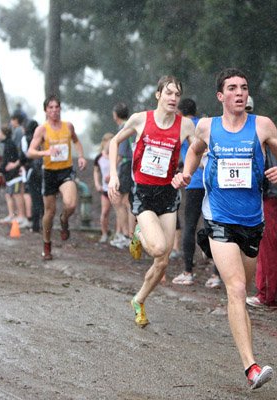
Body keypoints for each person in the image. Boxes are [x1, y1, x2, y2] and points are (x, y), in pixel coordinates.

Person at [172, 68, 277, 389]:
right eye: (232, 88)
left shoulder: (262, 125)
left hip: (253, 222)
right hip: (219, 219)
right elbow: (195, 151)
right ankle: (251, 367)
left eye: (244, 87)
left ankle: (237, 324)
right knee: (237, 289)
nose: (240, 93)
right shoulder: (207, 127)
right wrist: (187, 174)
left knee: (244, 286)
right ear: (221, 96)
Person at [108, 76, 195, 327]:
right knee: (157, 248)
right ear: (158, 95)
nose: (173, 98)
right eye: (168, 93)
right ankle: (138, 232)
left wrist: (186, 172)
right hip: (143, 193)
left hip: (168, 195)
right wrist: (114, 175)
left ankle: (138, 300)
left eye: (177, 95)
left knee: (164, 260)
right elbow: (114, 141)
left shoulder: (185, 126)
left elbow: (200, 151)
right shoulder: (140, 119)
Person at [27, 95, 87, 260]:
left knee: (71, 204)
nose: (54, 110)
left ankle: (64, 219)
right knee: (49, 212)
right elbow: (30, 152)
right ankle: (47, 244)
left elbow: (76, 141)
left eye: (56, 107)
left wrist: (81, 156)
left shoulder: (68, 126)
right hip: (49, 173)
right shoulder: (42, 129)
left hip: (66, 170)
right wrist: (45, 152)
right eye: (50, 108)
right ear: (46, 110)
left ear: (60, 109)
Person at [171, 98, 222, 288]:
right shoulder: (204, 125)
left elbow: (181, 152)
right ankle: (216, 275)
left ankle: (188, 272)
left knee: (190, 227)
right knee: (214, 226)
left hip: (192, 182)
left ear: (180, 111)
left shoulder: (183, 126)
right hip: (211, 182)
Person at [246, 95, 277, 308]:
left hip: (270, 194)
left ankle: (267, 295)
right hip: (265, 194)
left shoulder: (256, 129)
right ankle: (266, 292)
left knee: (268, 243)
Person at [109, 102, 135, 249]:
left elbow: (121, 152)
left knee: (121, 201)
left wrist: (111, 172)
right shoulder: (132, 126)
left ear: (115, 115)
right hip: (132, 167)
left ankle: (126, 234)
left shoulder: (123, 128)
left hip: (125, 167)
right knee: (127, 201)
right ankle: (128, 234)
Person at [0, 125, 28, 227]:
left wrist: (0, 169)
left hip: (15, 175)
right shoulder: (6, 143)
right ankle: (11, 215)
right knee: (8, 195)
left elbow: (7, 159)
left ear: (4, 133)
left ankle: (22, 216)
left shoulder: (10, 144)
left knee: (17, 195)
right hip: (9, 176)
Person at [94, 133, 114, 243]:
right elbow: (96, 171)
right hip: (105, 189)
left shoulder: (117, 156)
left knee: (119, 211)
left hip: (116, 188)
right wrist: (97, 184)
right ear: (104, 142)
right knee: (105, 212)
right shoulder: (99, 157)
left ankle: (118, 232)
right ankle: (104, 233)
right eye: (109, 143)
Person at [23, 119, 43, 232]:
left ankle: (35, 225)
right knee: (43, 199)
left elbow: (24, 155)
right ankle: (45, 224)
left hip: (32, 171)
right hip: (43, 171)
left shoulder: (26, 139)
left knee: (35, 199)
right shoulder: (42, 138)